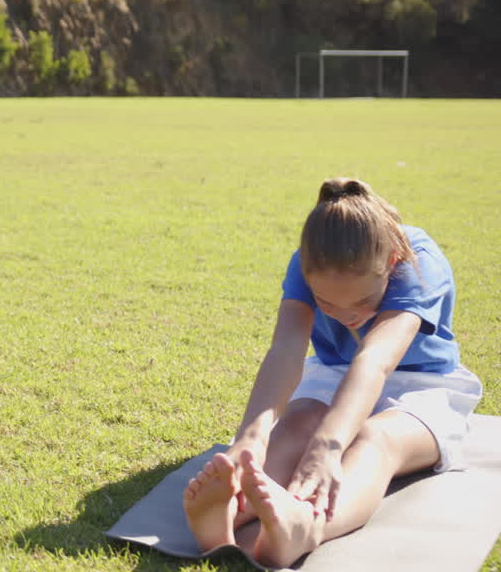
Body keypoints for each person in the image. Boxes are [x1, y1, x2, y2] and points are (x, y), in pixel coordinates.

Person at [182, 178, 482, 567]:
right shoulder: (305, 262)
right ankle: (228, 514)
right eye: (325, 301)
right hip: (334, 371)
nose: (347, 316)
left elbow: (375, 359)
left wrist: (328, 448)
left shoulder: (417, 261)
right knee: (299, 422)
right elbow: (287, 348)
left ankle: (307, 525)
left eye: (363, 301)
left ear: (389, 264)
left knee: (376, 439)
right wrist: (250, 438)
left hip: (421, 383)